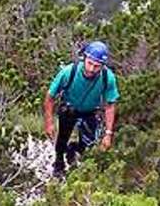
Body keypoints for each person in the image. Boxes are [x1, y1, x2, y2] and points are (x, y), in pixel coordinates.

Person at [43, 41, 120, 176]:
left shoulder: (108, 78)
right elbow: (50, 97)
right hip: (69, 109)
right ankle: (59, 164)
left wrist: (108, 133)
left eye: (96, 66)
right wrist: (49, 123)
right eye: (89, 63)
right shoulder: (68, 72)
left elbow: (110, 105)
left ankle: (74, 151)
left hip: (90, 112)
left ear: (102, 66)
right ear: (84, 58)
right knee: (62, 139)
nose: (91, 69)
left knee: (88, 145)